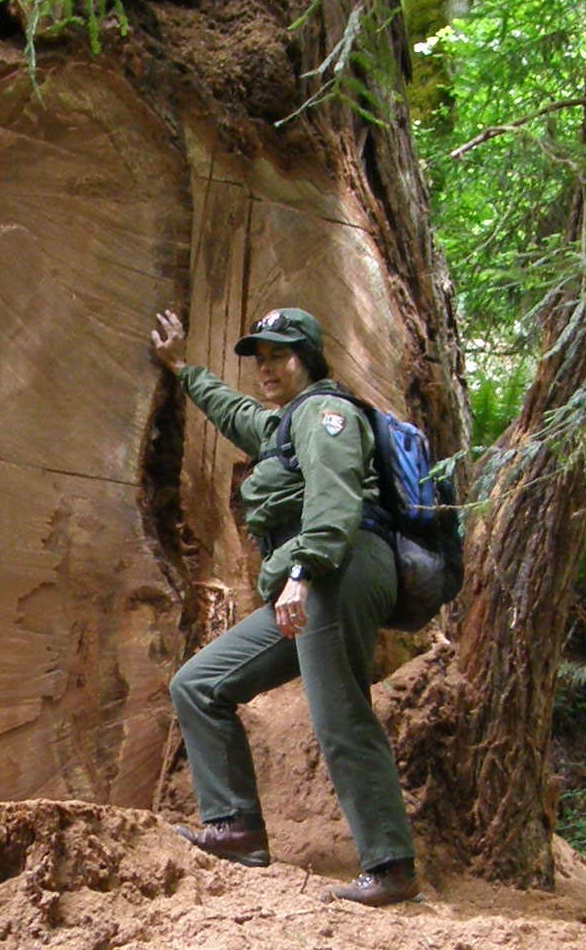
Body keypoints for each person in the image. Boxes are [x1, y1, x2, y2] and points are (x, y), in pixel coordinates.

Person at [148, 304, 420, 908]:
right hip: (314, 577)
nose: (267, 367)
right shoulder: (283, 424)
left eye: (280, 354)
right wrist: (184, 367)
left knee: (338, 710)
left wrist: (301, 571)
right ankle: (236, 829)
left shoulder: (326, 413)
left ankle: (391, 865)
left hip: (336, 569)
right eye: (261, 357)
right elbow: (235, 412)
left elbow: (335, 497)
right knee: (199, 684)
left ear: (310, 358)